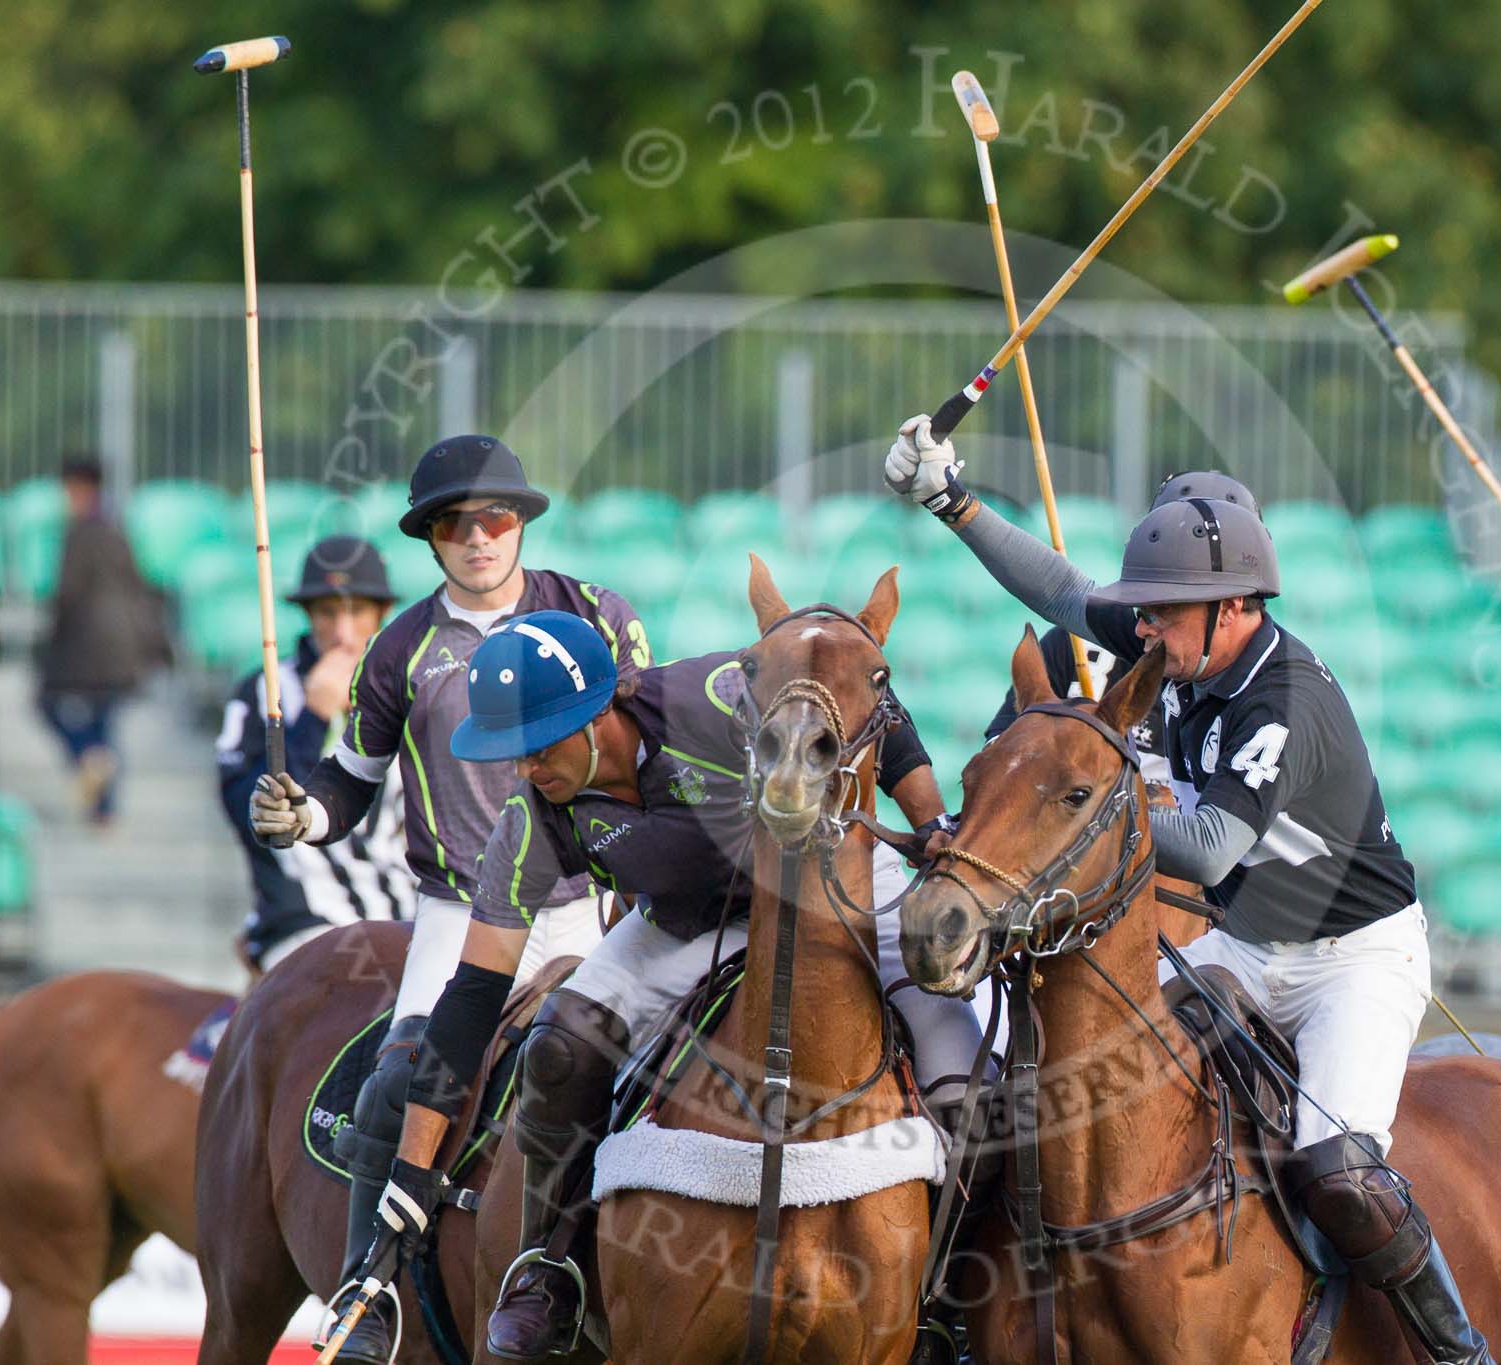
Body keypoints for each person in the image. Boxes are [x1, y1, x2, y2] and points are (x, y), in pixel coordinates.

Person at [883, 416, 1495, 1365]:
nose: (1144, 632)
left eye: (1163, 616)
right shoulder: (1181, 633)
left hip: (1351, 960)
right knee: (1055, 1088)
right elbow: (1061, 587)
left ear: (1237, 606)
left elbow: (1208, 851)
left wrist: (1078, 816)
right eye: (1148, 616)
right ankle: (952, 1320)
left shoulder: (1285, 696)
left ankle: (1460, 1352)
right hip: (1245, 946)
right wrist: (950, 499)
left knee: (1340, 1171)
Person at [354, 610, 978, 1362]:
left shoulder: (716, 695)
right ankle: (546, 1264)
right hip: (684, 926)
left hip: (829, 890)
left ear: (598, 711)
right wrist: (412, 1171)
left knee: (962, 1071)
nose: (522, 771)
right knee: (555, 1052)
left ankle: (955, 1291)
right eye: (508, 755)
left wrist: (931, 817)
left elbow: (874, 698)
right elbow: (473, 995)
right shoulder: (533, 821)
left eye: (535, 747)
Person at [246, 435, 652, 1362]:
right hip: (460, 909)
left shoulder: (595, 613)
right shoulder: (400, 648)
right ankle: (367, 1288)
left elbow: (644, 741)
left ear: (522, 523)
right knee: (401, 1080)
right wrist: (302, 813)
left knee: (659, 1076)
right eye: (456, 524)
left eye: (496, 518)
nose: (480, 538)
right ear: (430, 538)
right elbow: (347, 783)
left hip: (585, 897)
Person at [217, 536, 415, 976]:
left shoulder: (416, 693)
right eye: (328, 612)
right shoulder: (261, 693)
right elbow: (250, 814)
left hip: (406, 913)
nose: (343, 632)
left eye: (357, 611)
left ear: (382, 615)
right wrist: (314, 716)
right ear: (308, 615)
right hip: (299, 919)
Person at [984, 471, 1260, 783]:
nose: (1148, 627)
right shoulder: (1073, 643)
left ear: (1230, 606)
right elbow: (999, 766)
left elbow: (1214, 831)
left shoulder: (1265, 697)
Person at [35, 455, 168, 825]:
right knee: (105, 726)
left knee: (47, 704)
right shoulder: (117, 529)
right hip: (125, 647)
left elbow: (66, 593)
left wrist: (48, 644)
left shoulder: (76, 533)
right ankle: (104, 811)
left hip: (85, 646)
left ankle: (85, 761)